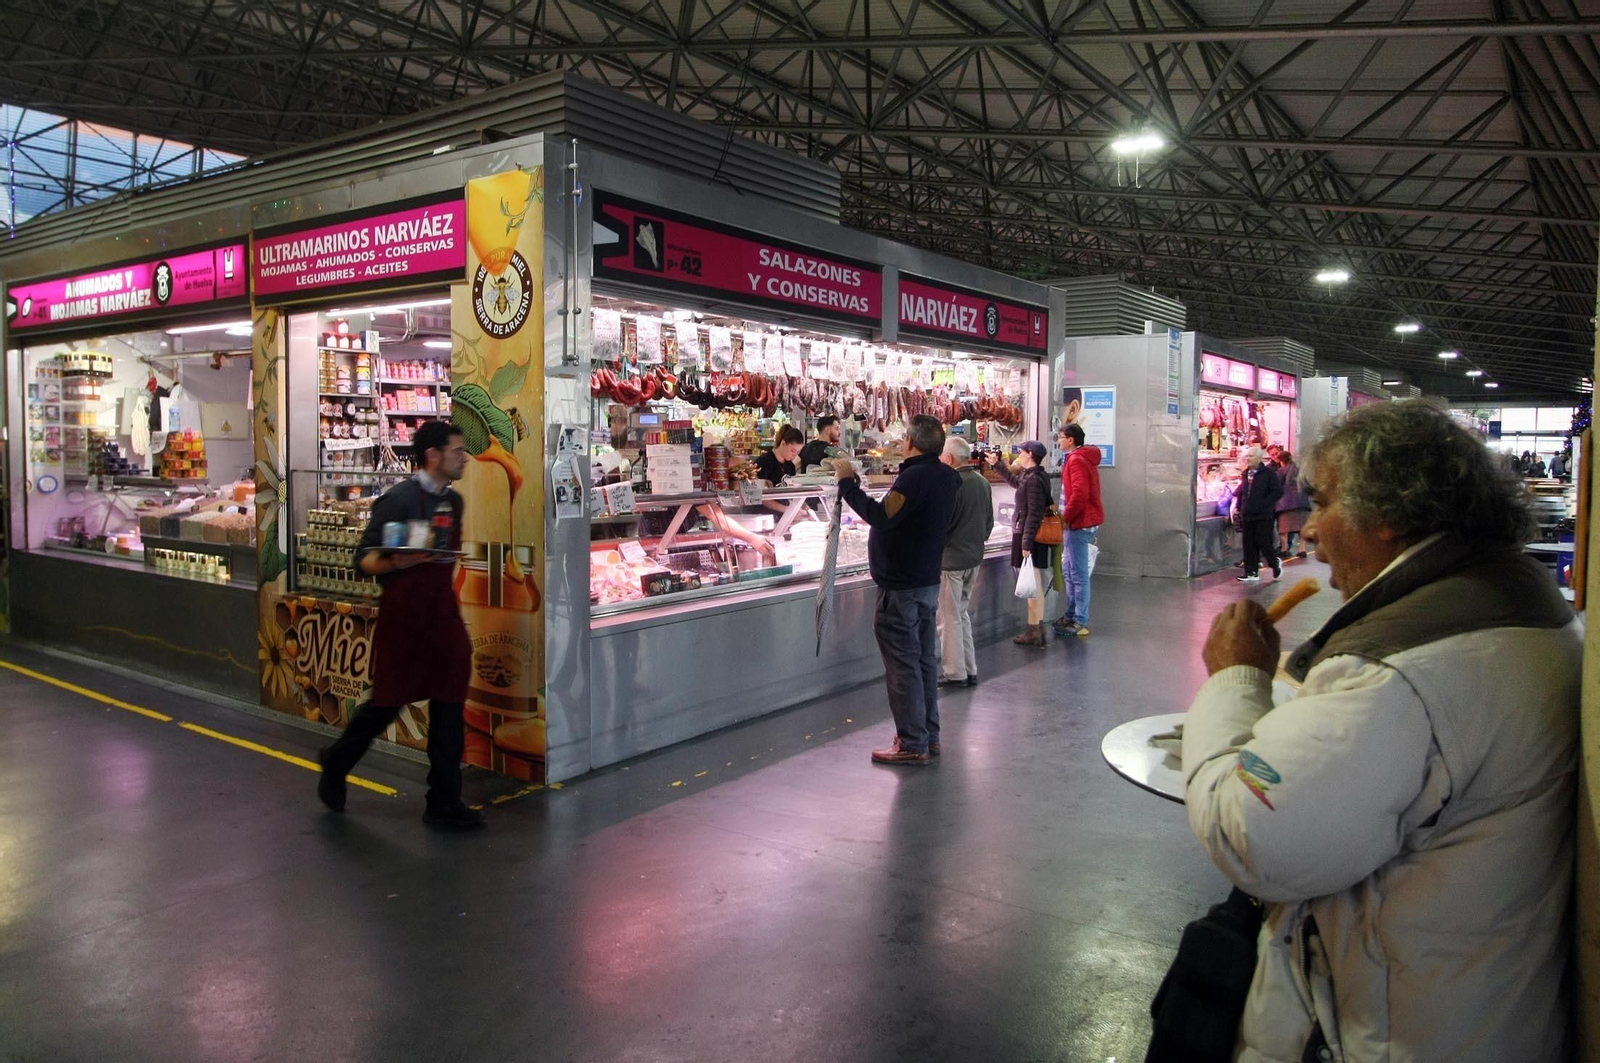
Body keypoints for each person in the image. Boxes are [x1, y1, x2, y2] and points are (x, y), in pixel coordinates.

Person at [1178, 400, 1578, 1062]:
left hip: (1397, 1032)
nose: (1309, 531)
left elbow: (1252, 830)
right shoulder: (1518, 605)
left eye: (1327, 503)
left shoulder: (1400, 675)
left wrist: (1234, 681)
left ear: (1389, 513)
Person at [317, 420, 483, 829]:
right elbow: (363, 561)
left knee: (450, 698)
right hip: (404, 614)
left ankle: (443, 799)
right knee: (388, 702)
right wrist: (396, 561)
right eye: (457, 451)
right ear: (433, 456)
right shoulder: (397, 500)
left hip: (442, 612)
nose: (464, 458)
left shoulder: (454, 503)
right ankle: (337, 762)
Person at [833, 415, 960, 765]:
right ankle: (928, 736)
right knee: (922, 662)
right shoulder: (948, 477)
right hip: (927, 581)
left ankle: (911, 742)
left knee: (903, 667)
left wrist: (847, 486)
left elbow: (882, 516)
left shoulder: (914, 478)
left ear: (911, 441)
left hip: (901, 586)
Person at [937, 436, 993, 688]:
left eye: (941, 457)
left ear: (948, 458)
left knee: (948, 619)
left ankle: (954, 673)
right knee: (961, 615)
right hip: (974, 558)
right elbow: (988, 523)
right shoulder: (982, 482)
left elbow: (943, 525)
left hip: (951, 562)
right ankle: (970, 669)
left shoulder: (952, 484)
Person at [988, 441, 1054, 647]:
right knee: (1035, 584)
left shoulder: (1034, 479)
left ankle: (1033, 630)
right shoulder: (1032, 476)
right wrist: (997, 465)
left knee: (1032, 584)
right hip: (1030, 534)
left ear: (1030, 454)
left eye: (1021, 451)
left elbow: (1034, 513)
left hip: (1030, 536)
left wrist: (1026, 543)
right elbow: (1016, 482)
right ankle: (1037, 627)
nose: (1018, 454)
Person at [1052, 424, 1102, 638]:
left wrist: (1066, 518)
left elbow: (1079, 495)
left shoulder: (1076, 460)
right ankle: (1072, 614)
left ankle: (1079, 619)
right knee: (1070, 572)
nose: (1059, 441)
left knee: (1078, 574)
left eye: (1061, 438)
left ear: (1071, 440)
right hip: (1078, 523)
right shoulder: (1079, 459)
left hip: (1078, 524)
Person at [1232, 446, 1282, 582]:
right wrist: (1239, 506)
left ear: (1259, 458)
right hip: (1247, 514)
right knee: (1248, 543)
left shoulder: (1269, 473)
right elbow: (1243, 491)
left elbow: (1277, 491)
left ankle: (1274, 563)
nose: (1248, 459)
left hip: (1263, 515)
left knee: (1264, 542)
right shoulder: (1245, 473)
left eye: (1251, 456)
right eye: (1247, 456)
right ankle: (1251, 571)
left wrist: (1265, 503)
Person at [1273, 450, 1311, 559]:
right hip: (1301, 502)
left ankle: (1284, 549)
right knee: (1301, 528)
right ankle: (1302, 550)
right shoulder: (1300, 470)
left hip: (1286, 505)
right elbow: (1307, 485)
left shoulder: (1281, 471)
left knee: (1284, 529)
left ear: (1281, 461)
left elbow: (1276, 487)